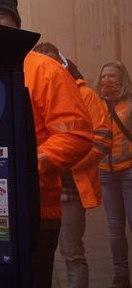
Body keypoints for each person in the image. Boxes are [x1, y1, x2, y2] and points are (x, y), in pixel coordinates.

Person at [0, 0, 93, 287]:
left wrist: (26, 169)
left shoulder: (46, 71)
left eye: (1, 14)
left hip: (35, 210)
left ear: (17, 23)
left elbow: (76, 134)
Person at [31, 44, 112, 288]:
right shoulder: (32, 87)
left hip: (71, 189)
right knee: (49, 256)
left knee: (72, 253)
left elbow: (100, 138)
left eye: (54, 64)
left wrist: (70, 162)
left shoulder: (85, 94)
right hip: (43, 188)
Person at [98, 60, 132, 288]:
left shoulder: (130, 104)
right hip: (106, 173)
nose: (107, 80)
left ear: (123, 79)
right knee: (114, 227)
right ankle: (120, 275)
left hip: (129, 170)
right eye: (104, 76)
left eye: (112, 75)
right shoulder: (96, 103)